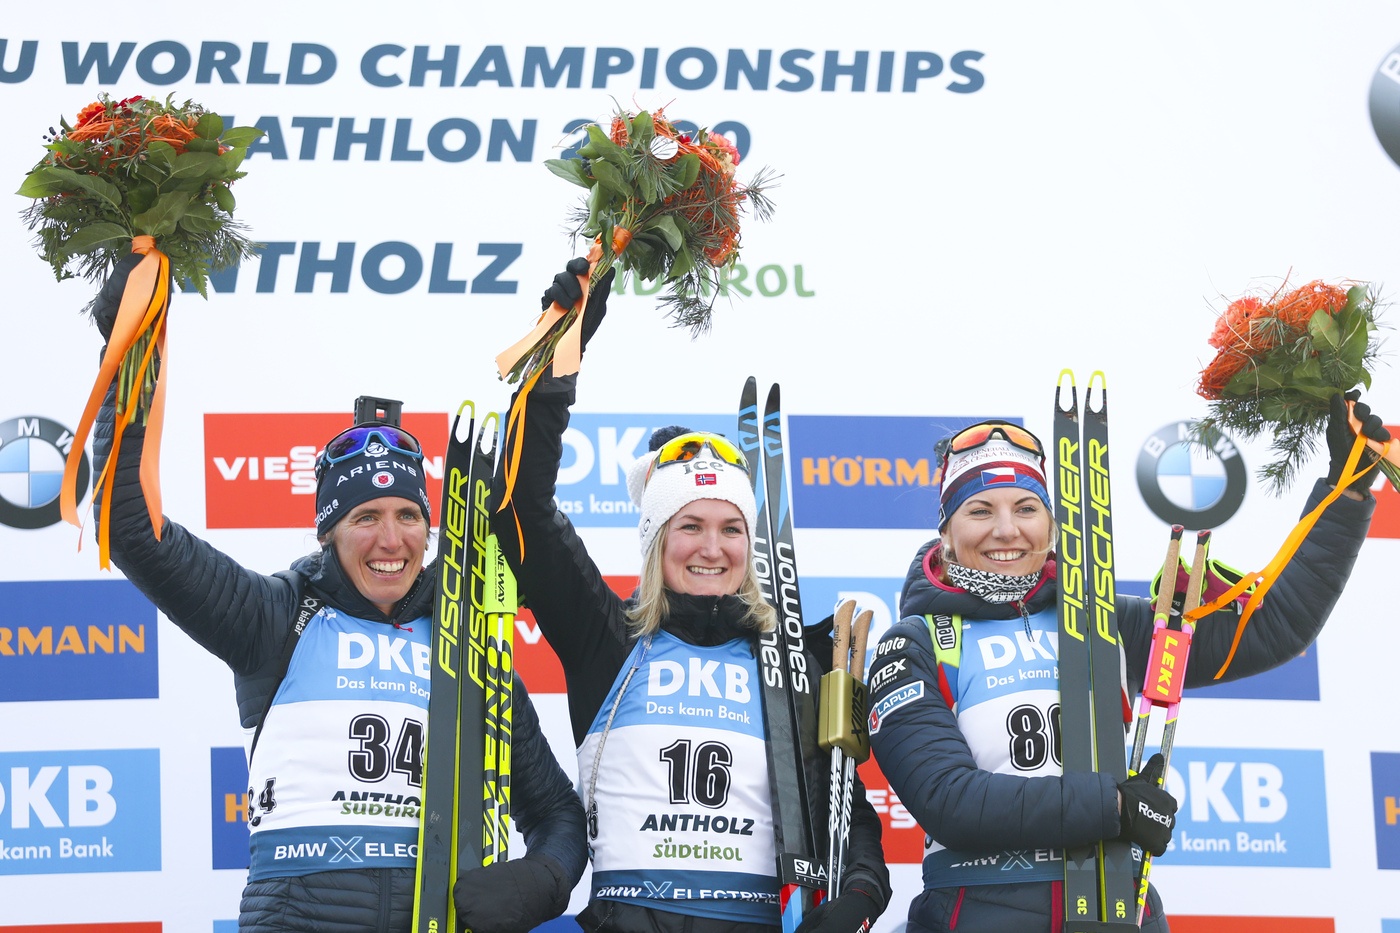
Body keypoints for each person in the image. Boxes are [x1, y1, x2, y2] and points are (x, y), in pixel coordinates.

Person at [89, 256, 587, 933]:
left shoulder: (467, 644)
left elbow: (558, 814)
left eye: (408, 515)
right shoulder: (274, 616)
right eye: (365, 517)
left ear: (429, 527)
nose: (391, 539)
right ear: (328, 531)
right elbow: (130, 530)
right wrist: (130, 354)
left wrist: (539, 882)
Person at [865, 401, 1387, 933]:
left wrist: (1346, 494)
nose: (1006, 530)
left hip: (1120, 909)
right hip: (976, 913)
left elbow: (1273, 627)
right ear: (946, 532)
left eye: (1026, 508)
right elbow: (949, 800)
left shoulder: (1104, 621)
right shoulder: (915, 644)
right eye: (980, 511)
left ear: (1051, 523)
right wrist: (1115, 806)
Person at [488, 260, 892, 933]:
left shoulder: (790, 663)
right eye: (689, 526)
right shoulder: (607, 636)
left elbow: (847, 818)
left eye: (731, 528)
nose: (711, 547)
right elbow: (520, 504)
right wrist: (564, 346)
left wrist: (859, 897)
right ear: (655, 540)